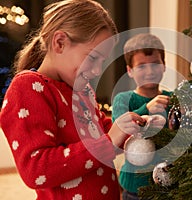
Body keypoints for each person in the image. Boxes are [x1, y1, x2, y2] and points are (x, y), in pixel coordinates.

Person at [0, 1, 162, 199]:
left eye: (101, 62)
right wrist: (110, 142)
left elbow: (102, 132)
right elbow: (37, 170)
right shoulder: (28, 89)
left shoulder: (81, 91)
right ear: (59, 43)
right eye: (92, 58)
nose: (96, 71)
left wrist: (137, 128)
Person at [112, 33, 172, 200]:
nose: (149, 71)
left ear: (164, 66)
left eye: (155, 64)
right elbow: (119, 130)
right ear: (129, 71)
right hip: (135, 190)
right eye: (141, 66)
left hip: (169, 186)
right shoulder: (123, 99)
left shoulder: (173, 98)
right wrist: (147, 108)